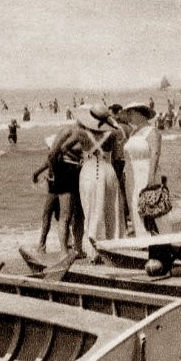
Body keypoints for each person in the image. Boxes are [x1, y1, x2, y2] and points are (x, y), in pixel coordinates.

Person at [57, 104, 125, 257]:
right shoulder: (113, 133)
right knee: (110, 210)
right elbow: (118, 158)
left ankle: (94, 252)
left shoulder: (81, 133)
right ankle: (112, 248)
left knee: (90, 210)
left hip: (88, 170)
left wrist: (80, 157)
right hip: (108, 170)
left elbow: (63, 148)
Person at [36, 125, 84, 255]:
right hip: (60, 185)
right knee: (66, 216)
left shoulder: (56, 157)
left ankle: (43, 244)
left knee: (53, 215)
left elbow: (45, 164)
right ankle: (68, 246)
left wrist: (36, 175)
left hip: (55, 186)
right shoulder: (65, 157)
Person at [120, 102, 163, 236]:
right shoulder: (133, 132)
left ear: (140, 114)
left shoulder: (152, 131)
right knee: (134, 205)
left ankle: (155, 241)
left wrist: (151, 178)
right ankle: (142, 238)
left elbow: (155, 153)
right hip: (132, 174)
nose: (129, 116)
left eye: (131, 113)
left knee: (149, 206)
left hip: (146, 171)